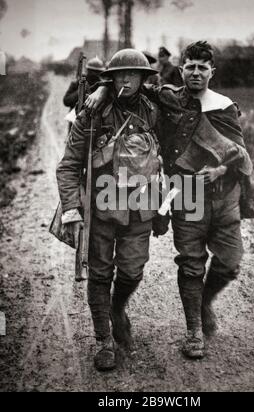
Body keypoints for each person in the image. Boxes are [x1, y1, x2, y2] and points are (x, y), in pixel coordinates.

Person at [85, 41, 254, 360]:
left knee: (230, 263)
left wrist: (221, 168)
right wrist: (101, 88)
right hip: (186, 192)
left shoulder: (225, 107)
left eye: (202, 67)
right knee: (191, 261)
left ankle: (204, 302)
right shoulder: (168, 97)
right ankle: (194, 330)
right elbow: (129, 84)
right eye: (190, 66)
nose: (196, 72)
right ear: (181, 69)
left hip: (224, 195)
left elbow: (239, 152)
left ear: (212, 71)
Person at [56, 49, 161, 371]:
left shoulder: (154, 110)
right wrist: (72, 209)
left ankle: (117, 310)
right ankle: (104, 340)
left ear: (144, 79)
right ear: (110, 77)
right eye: (119, 75)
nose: (126, 80)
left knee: (132, 270)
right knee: (100, 275)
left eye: (133, 74)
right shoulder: (92, 114)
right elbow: (69, 166)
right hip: (101, 210)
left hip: (140, 207)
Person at [63, 56, 105, 131]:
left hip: (95, 124)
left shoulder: (102, 87)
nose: (94, 74)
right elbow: (66, 101)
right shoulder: (78, 83)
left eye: (97, 72)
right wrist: (80, 91)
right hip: (76, 122)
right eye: (92, 71)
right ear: (88, 70)